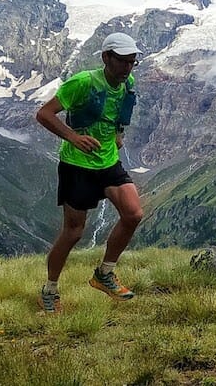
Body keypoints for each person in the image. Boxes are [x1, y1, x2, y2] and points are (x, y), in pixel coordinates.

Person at [35, 32, 144, 314]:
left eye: (132, 62)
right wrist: (73, 138)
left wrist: (118, 133)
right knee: (73, 232)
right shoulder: (82, 83)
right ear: (106, 57)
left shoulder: (127, 82)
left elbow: (120, 112)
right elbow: (44, 114)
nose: (128, 68)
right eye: (122, 62)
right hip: (76, 165)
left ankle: (104, 273)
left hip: (107, 162)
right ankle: (50, 289)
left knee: (133, 214)